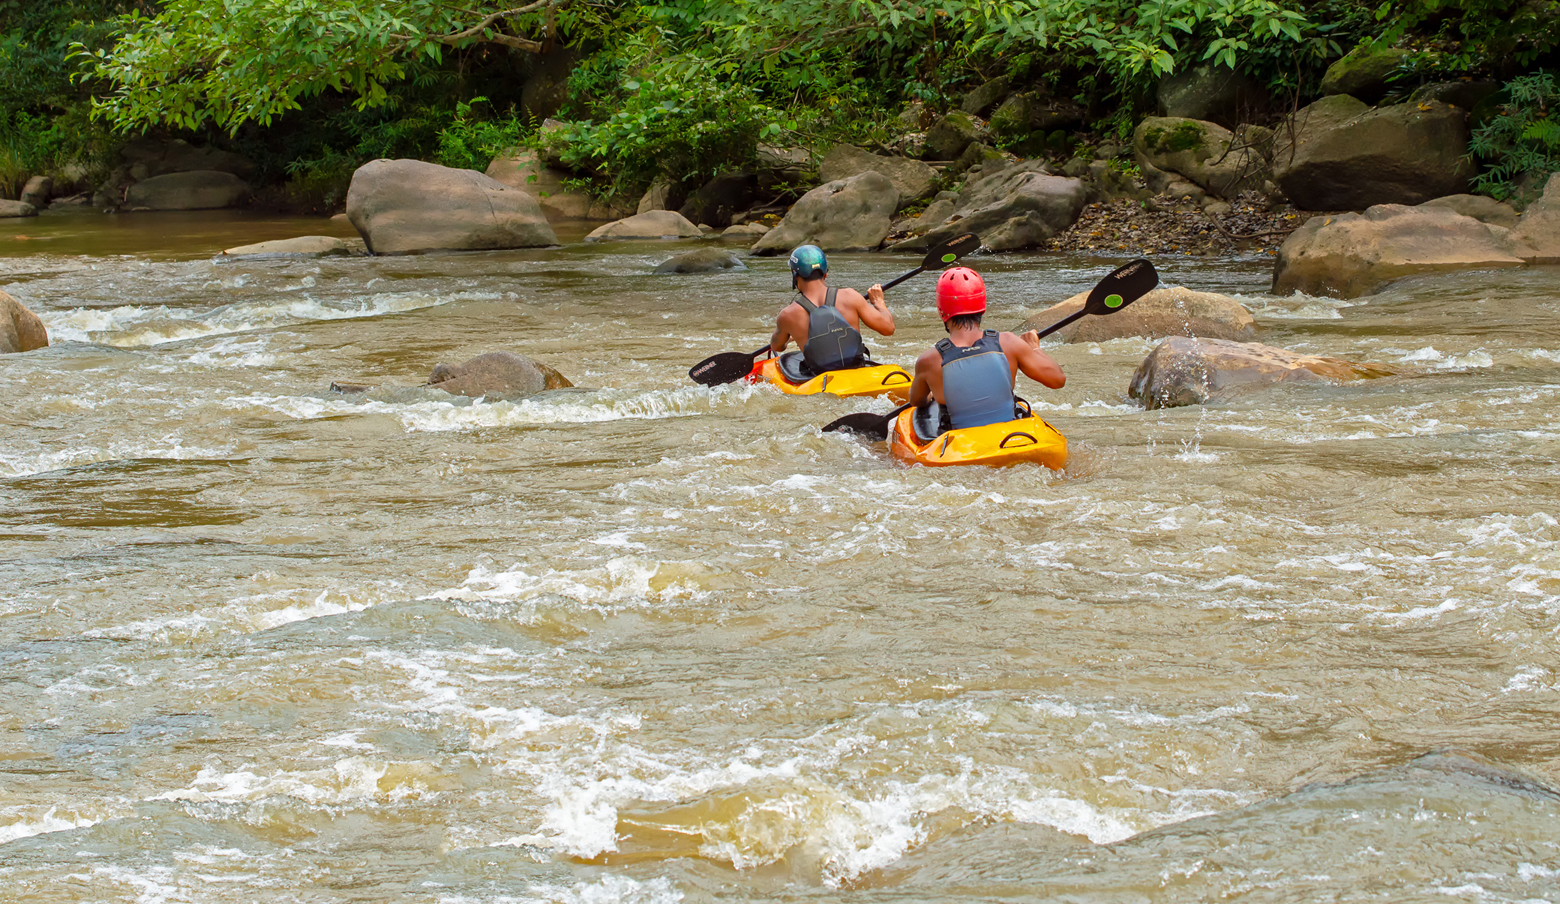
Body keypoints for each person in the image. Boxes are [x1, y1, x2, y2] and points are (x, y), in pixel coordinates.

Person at [908, 266, 1065, 430]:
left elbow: (916, 401)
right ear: (982, 305)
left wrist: (932, 394)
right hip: (1009, 439)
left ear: (941, 310)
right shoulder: (1009, 343)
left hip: (961, 446)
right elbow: (1058, 380)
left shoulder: (929, 360)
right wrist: (1034, 348)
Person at [770, 244, 895, 373]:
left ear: (795, 275)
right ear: (825, 274)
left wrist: (791, 336)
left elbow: (777, 346)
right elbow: (888, 328)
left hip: (821, 379)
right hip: (856, 372)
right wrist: (879, 302)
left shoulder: (788, 315)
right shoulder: (850, 296)